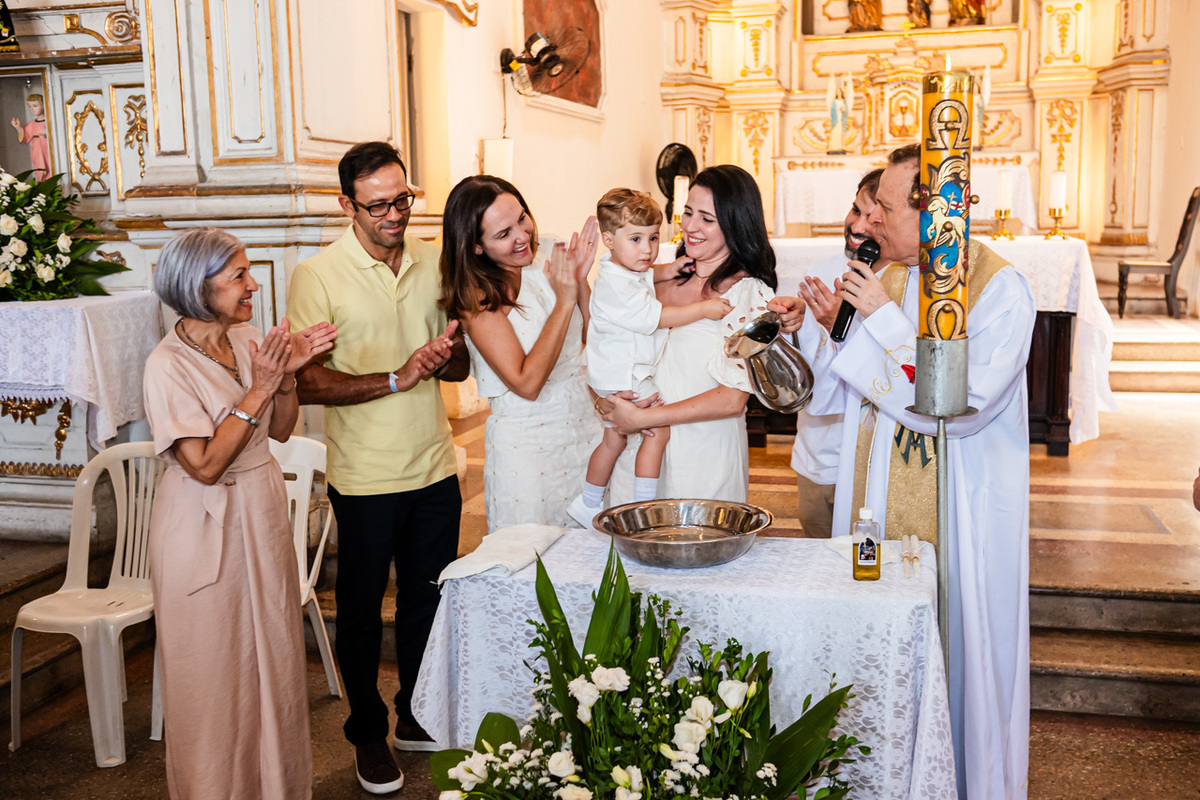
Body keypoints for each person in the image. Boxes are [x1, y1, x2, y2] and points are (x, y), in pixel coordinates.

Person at [796, 143, 1034, 799]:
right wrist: (833, 331)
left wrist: (879, 320)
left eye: (886, 211)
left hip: (955, 516)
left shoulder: (998, 292)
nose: (870, 224)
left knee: (953, 652)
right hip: (871, 504)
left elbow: (955, 411)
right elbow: (851, 394)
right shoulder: (893, 279)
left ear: (933, 214)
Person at [286, 141, 469, 794]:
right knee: (362, 610)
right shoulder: (319, 275)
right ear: (346, 205)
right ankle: (366, 731)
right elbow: (308, 383)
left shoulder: (431, 260)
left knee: (425, 600)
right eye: (379, 205)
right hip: (364, 474)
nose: (396, 214)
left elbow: (461, 362)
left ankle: (415, 713)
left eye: (404, 199)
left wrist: (448, 354)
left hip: (434, 463)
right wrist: (396, 376)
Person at [143, 227, 337, 800]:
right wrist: (260, 388)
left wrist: (288, 378)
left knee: (273, 664)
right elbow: (202, 465)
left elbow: (279, 430)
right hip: (201, 525)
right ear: (197, 287)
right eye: (239, 277)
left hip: (261, 512)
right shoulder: (166, 365)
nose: (254, 285)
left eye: (249, 272)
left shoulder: (249, 337)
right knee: (214, 676)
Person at [600, 165, 785, 502]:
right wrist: (607, 401)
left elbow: (732, 399)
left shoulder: (748, 295)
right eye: (687, 212)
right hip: (639, 451)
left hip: (702, 458)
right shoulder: (656, 280)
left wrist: (643, 417)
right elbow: (607, 343)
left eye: (706, 219)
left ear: (734, 224)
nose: (690, 227)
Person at [439, 175, 602, 533]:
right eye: (503, 234)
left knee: (594, 563)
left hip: (587, 429)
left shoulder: (547, 250)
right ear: (476, 246)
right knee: (534, 563)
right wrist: (564, 299)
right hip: (529, 448)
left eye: (522, 218)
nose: (522, 235)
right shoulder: (475, 295)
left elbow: (594, 337)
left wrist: (580, 282)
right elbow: (527, 383)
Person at [567, 188, 731, 526]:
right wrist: (703, 308)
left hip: (611, 371)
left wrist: (668, 269)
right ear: (609, 240)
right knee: (658, 431)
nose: (647, 250)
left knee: (613, 439)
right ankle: (644, 508)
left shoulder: (619, 267)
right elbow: (655, 317)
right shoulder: (616, 287)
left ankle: (587, 501)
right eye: (637, 239)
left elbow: (645, 272)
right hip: (626, 373)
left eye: (654, 238)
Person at [789, 167, 881, 538]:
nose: (857, 226)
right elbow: (808, 371)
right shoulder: (822, 271)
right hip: (817, 455)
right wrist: (793, 326)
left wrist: (835, 326)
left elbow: (892, 372)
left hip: (869, 465)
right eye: (855, 210)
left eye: (872, 219)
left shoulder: (901, 285)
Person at [10, 94, 49, 181]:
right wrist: (18, 127)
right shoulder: (32, 124)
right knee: (39, 169)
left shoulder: (50, 121)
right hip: (37, 150)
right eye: (30, 106)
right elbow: (25, 137)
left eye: (35, 106)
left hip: (47, 148)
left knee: (50, 167)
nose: (32, 109)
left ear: (44, 105)